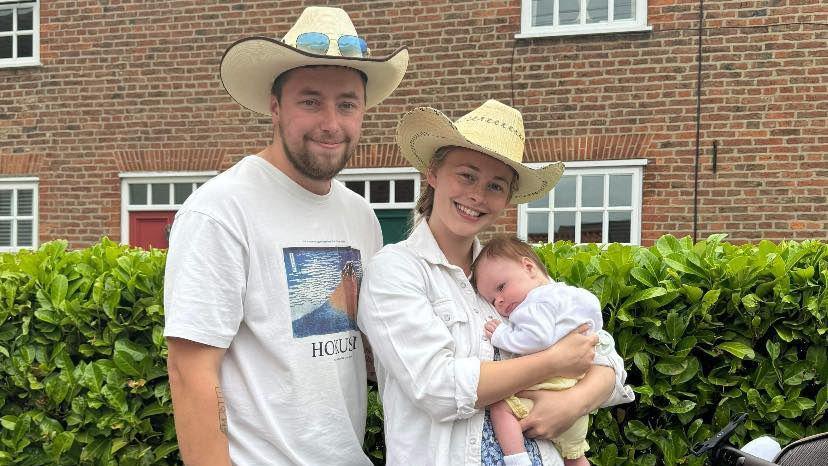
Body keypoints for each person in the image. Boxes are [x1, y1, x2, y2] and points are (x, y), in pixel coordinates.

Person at [163, 6, 408, 465]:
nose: (331, 123)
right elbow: (190, 369)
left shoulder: (360, 216)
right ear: (274, 106)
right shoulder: (222, 209)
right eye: (310, 101)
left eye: (347, 104)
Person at [357, 99, 635, 466]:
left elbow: (604, 356)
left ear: (507, 199)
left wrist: (572, 402)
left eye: (496, 185)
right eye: (467, 175)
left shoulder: (506, 273)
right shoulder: (396, 271)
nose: (477, 195)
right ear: (433, 173)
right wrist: (552, 361)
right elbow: (438, 388)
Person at [472, 236, 618, 466]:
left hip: (551, 389)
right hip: (577, 403)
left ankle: (517, 460)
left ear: (528, 267)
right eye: (492, 299)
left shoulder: (533, 305)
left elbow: (535, 339)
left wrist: (501, 334)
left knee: (500, 408)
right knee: (576, 457)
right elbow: (599, 336)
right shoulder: (572, 294)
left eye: (501, 287)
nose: (499, 301)